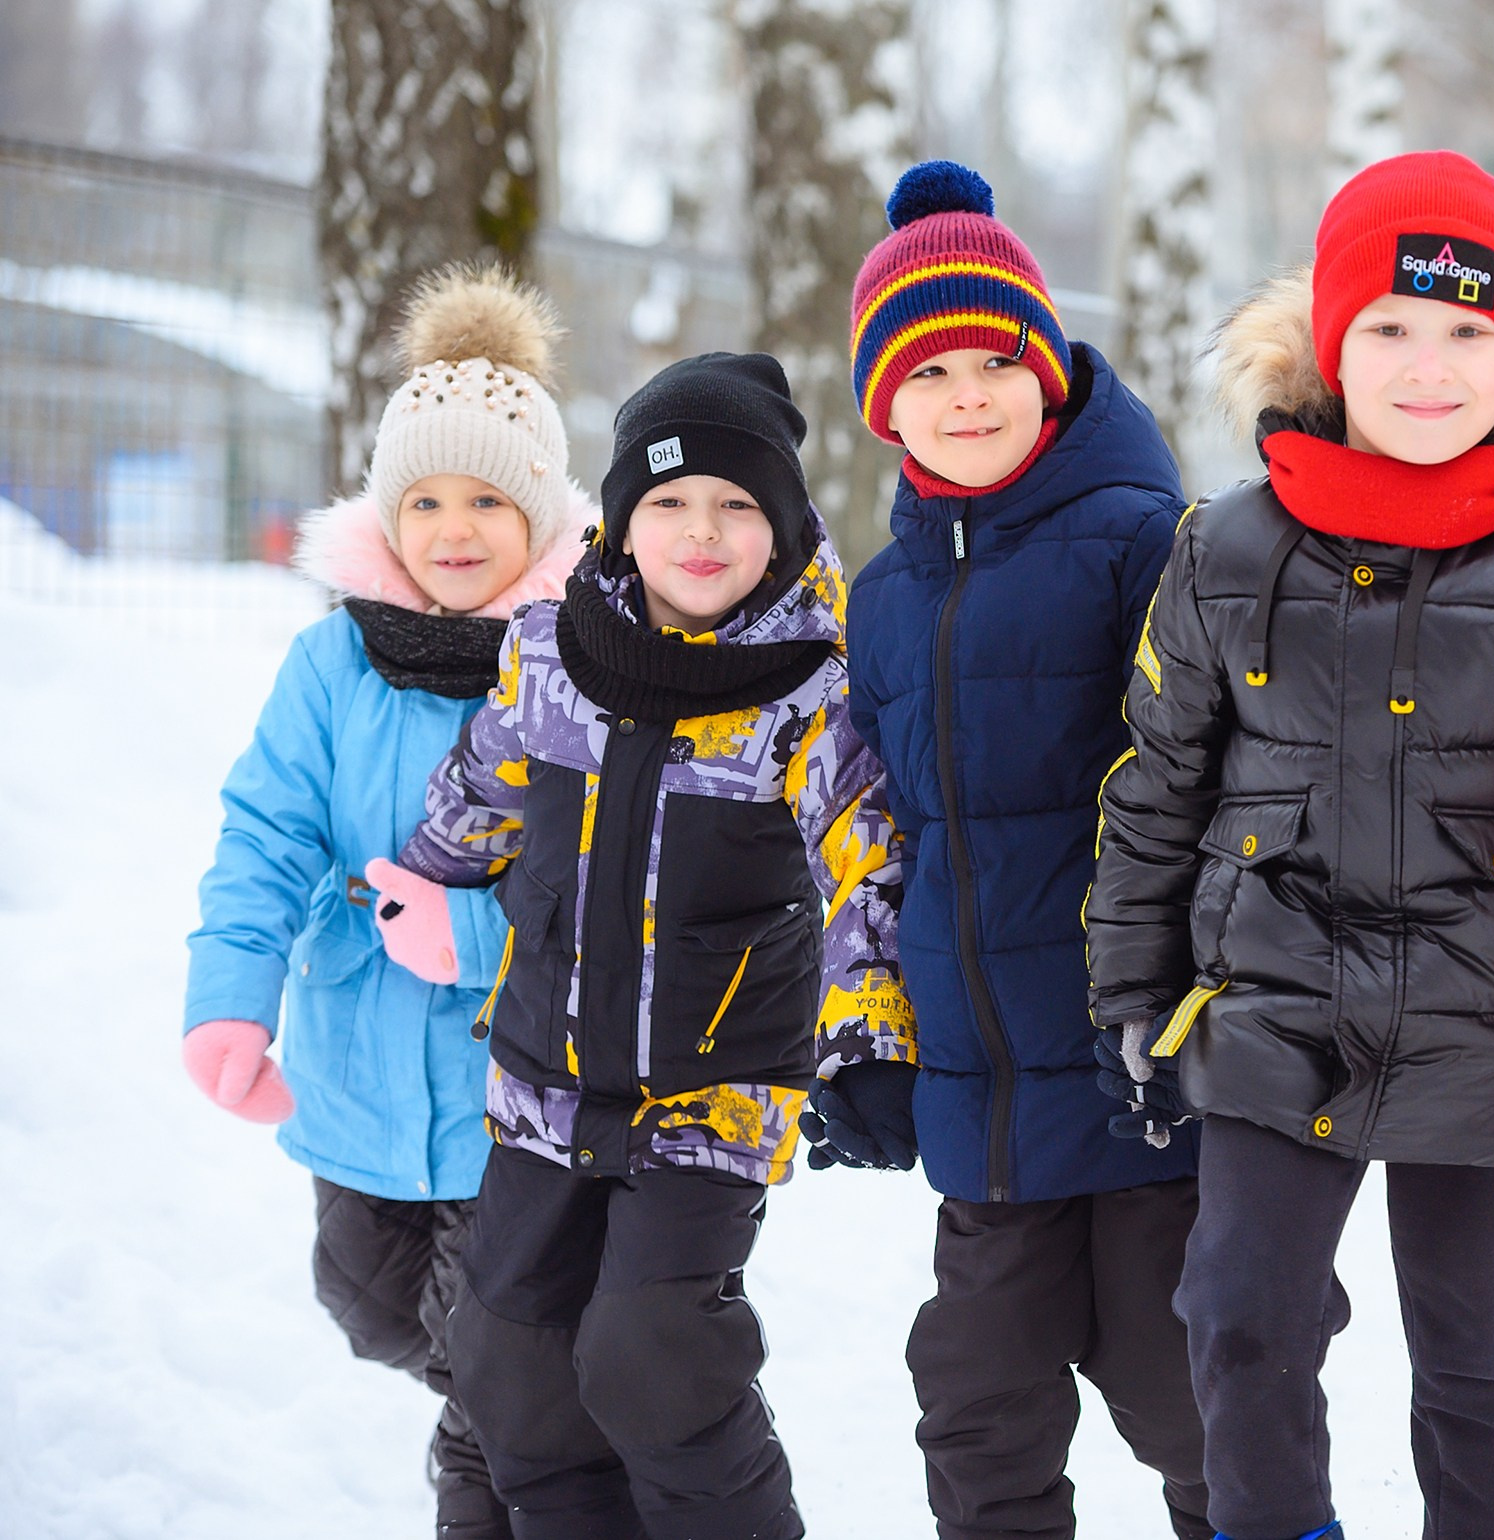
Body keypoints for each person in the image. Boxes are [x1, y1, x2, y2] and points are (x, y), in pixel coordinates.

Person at [1085, 149, 1494, 1540]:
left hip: (1488, 1039)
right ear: (1326, 344)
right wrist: (1130, 996)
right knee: (1238, 1327)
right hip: (1270, 1019)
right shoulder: (1219, 553)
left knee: (1479, 1371)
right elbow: (1154, 788)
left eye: (1463, 334)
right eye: (1386, 329)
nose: (1425, 369)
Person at [390, 351, 908, 1538]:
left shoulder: (809, 696)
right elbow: (486, 780)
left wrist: (869, 1039)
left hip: (710, 1097)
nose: (702, 531)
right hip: (542, 1081)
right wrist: (426, 871)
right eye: (669, 503)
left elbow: (865, 865)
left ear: (780, 529)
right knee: (505, 1355)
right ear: (624, 524)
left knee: (652, 1352)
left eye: (737, 505)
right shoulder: (549, 652)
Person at [808, 159, 1210, 1540]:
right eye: (926, 374)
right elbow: (868, 838)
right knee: (975, 1406)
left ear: (1046, 365)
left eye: (993, 358)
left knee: (1187, 1399)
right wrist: (864, 1038)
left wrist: (1190, 1008)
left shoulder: (1138, 541)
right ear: (882, 407)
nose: (965, 394)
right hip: (979, 1102)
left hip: (1138, 1084)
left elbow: (1210, 785)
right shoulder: (882, 595)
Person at [183, 264, 587, 1538]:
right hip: (354, 1068)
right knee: (365, 1308)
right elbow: (267, 832)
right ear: (385, 512)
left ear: (539, 519)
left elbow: (600, 869)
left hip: (507, 1091)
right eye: (425, 498)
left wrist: (470, 932)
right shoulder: (331, 659)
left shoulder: (574, 668)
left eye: (486, 499)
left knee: (489, 1357)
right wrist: (229, 1002)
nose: (454, 527)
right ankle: (534, 1408)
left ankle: (519, 1460)